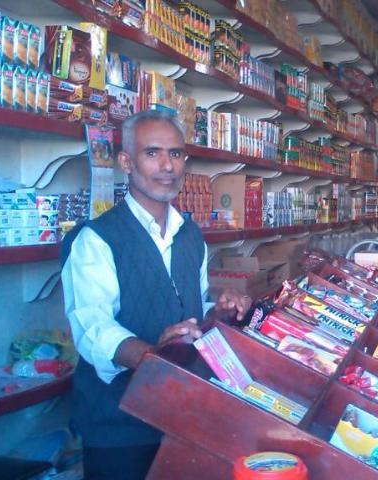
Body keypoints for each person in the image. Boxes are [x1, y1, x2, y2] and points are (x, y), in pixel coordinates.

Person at [60, 109, 252, 480]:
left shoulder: (190, 235)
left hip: (184, 418)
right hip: (119, 427)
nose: (167, 166)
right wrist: (152, 355)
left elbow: (189, 306)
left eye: (175, 154)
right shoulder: (96, 239)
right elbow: (92, 327)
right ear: (125, 162)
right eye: (152, 153)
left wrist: (221, 310)